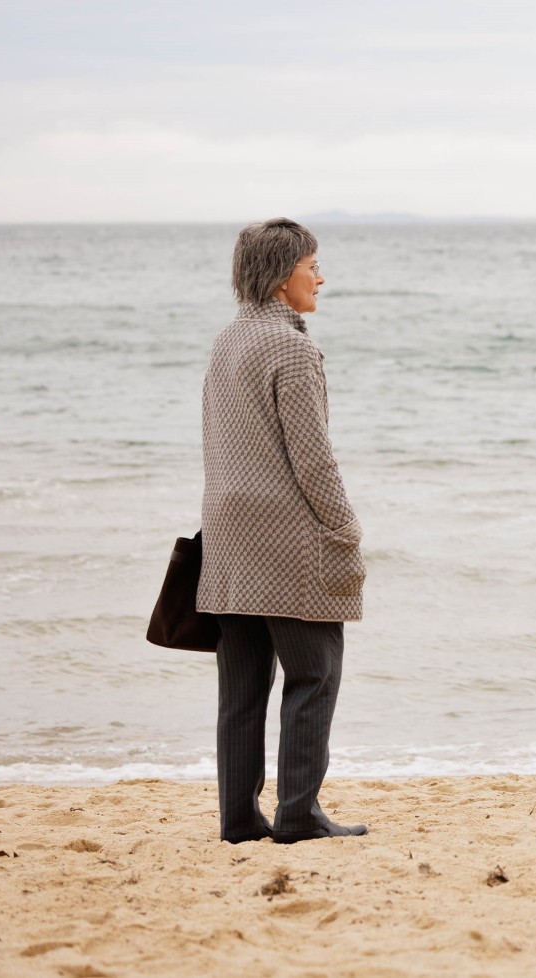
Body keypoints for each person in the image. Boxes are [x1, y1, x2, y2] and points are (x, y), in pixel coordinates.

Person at [198, 217, 368, 843]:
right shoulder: (291, 348)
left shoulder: (227, 340)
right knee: (313, 676)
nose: (321, 277)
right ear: (279, 278)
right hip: (289, 540)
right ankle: (299, 815)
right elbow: (313, 457)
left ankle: (239, 821)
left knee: (241, 688)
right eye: (311, 265)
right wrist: (345, 529)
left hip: (228, 538)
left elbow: (219, 444)